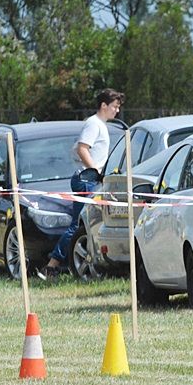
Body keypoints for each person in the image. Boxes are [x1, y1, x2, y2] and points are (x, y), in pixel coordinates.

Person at [39, 88, 124, 278]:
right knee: (79, 227)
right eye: (114, 107)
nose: (116, 111)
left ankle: (61, 264)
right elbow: (82, 149)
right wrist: (95, 173)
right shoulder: (94, 124)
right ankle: (52, 266)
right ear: (103, 105)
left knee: (82, 226)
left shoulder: (98, 124)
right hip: (87, 180)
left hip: (89, 180)